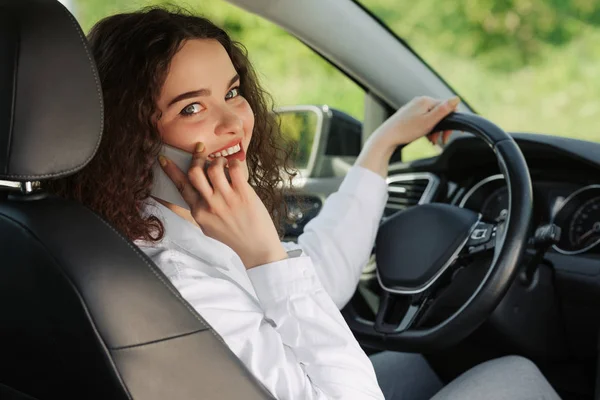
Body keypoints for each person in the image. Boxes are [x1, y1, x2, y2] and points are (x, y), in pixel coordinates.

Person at [49, 7, 561, 400]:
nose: (234, 123)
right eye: (193, 107)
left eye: (232, 92)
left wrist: (378, 151)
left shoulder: (118, 228)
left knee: (429, 362)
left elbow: (314, 278)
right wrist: (265, 257)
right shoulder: (179, 283)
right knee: (515, 376)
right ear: (130, 135)